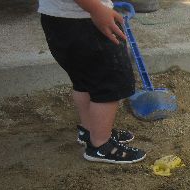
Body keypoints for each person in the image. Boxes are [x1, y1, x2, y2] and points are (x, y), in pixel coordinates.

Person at [38, 0, 146, 164]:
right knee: (109, 82)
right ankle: (101, 145)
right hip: (85, 19)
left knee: (84, 80)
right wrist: (97, 10)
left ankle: (90, 131)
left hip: (59, 19)